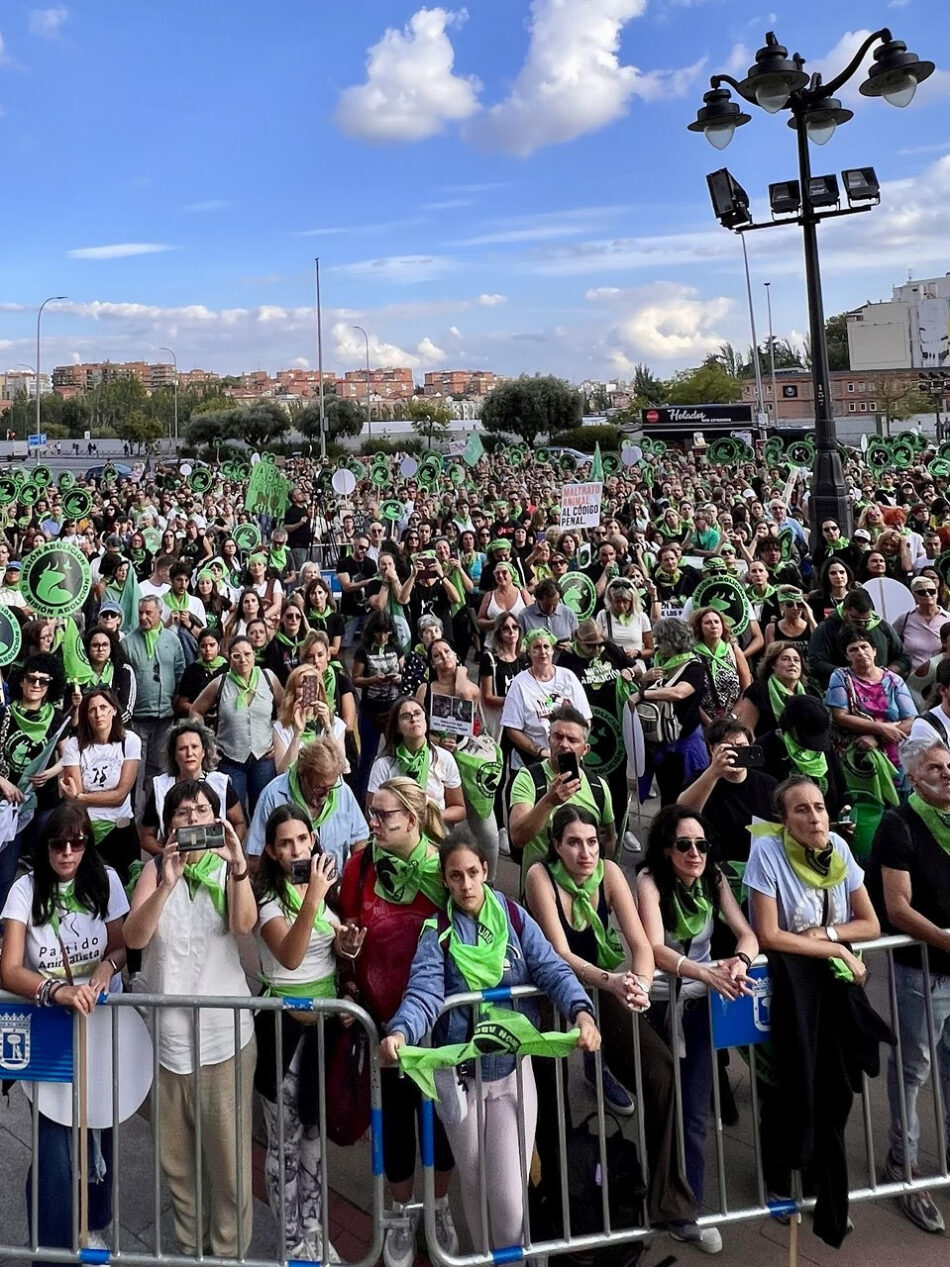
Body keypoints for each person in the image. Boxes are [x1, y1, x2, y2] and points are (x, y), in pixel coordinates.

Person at [381, 828, 600, 1254]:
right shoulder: (438, 931)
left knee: (509, 1202)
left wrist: (581, 1011)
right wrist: (400, 1031)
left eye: (472, 873)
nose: (465, 885)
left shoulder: (515, 918)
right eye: (455, 876)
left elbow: (551, 968)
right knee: (476, 1183)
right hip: (461, 1080)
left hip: (514, 1074)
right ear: (445, 879)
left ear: (486, 870)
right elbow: (424, 992)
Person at [525, 805, 700, 1232]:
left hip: (603, 983)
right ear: (555, 846)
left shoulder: (609, 872)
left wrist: (638, 984)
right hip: (545, 985)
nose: (585, 853)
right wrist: (612, 981)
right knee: (549, 1094)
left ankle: (667, 1199)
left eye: (591, 842)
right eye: (573, 843)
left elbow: (640, 944)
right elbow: (559, 953)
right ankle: (551, 1200)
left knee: (658, 1069)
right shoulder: (538, 876)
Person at [745, 775, 883, 1239]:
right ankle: (779, 1179)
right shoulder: (766, 852)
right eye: (801, 809)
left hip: (835, 984)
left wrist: (828, 938)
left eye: (819, 807)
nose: (815, 817)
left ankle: (827, 1183)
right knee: (789, 1085)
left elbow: (869, 924)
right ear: (783, 819)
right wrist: (838, 950)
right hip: (788, 987)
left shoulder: (839, 850)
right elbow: (769, 934)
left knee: (838, 1087)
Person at [124, 780, 257, 1259]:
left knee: (230, 1171)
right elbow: (135, 938)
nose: (192, 818)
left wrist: (239, 866)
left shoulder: (229, 871)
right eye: (182, 813)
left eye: (201, 810)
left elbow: (244, 925)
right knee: (178, 1166)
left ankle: (227, 1254)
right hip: (166, 1044)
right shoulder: (154, 870)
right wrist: (166, 885)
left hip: (225, 1041)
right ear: (169, 825)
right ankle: (190, 1248)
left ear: (217, 819)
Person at [0, 803, 128, 1267]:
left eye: (77, 842)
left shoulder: (107, 880)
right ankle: (50, 1254)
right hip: (48, 1033)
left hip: (102, 1027)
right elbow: (10, 969)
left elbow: (120, 945)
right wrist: (56, 991)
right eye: (58, 843)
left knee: (101, 1132)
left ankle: (93, 1228)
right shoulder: (24, 889)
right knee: (54, 1148)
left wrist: (105, 972)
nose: (68, 852)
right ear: (45, 846)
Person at [339, 778, 457, 1267]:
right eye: (372, 812)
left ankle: (441, 1209)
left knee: (445, 1125)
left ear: (412, 818)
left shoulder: (447, 869)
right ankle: (401, 1212)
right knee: (397, 1125)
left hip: (442, 1025)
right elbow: (344, 930)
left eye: (384, 815)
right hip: (383, 1024)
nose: (374, 821)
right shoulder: (360, 864)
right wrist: (345, 959)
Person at [637, 805, 758, 1252]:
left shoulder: (715, 880)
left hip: (699, 1004)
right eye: (684, 845)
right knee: (663, 1104)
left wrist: (740, 962)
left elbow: (747, 933)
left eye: (702, 845)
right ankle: (659, 1197)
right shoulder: (649, 881)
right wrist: (703, 972)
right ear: (666, 850)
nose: (695, 853)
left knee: (694, 1109)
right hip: (657, 1006)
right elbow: (652, 945)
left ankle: (685, 1209)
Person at [253, 804, 351, 1261]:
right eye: (286, 843)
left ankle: (315, 1231)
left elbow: (332, 954)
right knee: (285, 1146)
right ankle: (290, 1241)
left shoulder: (326, 893)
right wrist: (313, 895)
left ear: (314, 840)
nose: (296, 849)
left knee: (313, 1139)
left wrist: (348, 943)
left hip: (324, 1033)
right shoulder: (269, 900)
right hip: (283, 1034)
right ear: (271, 851)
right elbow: (290, 956)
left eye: (303, 840)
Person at [870, 738, 950, 1235]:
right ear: (913, 777)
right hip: (922, 970)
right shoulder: (899, 823)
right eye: (935, 769)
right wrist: (945, 941)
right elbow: (897, 909)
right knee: (915, 1067)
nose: (946, 775)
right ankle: (904, 1165)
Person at [0, 652, 76, 907]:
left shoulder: (56, 719)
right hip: (8, 807)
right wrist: (3, 782)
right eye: (31, 679)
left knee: (48, 866)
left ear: (50, 686)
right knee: (5, 872)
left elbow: (68, 758)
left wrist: (51, 773)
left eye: (43, 681)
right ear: (21, 681)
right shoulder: (4, 715)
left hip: (45, 805)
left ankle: (43, 916)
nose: (36, 685)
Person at [509, 704, 615, 876]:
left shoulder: (598, 786)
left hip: (587, 890)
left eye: (572, 740)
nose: (563, 744)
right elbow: (517, 838)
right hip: (541, 887)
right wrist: (549, 801)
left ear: (585, 749)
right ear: (549, 740)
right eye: (558, 737)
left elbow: (609, 839)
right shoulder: (529, 779)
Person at [190, 635, 283, 817]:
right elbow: (195, 710)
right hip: (231, 759)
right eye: (236, 656)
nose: (243, 660)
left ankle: (261, 846)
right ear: (228, 657)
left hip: (263, 757)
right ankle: (238, 845)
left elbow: (283, 705)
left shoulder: (268, 678)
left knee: (264, 810)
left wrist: (277, 734)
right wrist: (206, 742)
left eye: (247, 654)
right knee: (234, 813)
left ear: (254, 655)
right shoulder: (221, 683)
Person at [677, 719, 778, 881]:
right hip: (716, 869)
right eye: (728, 747)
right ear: (712, 749)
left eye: (741, 747)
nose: (735, 753)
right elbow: (682, 811)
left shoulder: (768, 784)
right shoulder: (702, 780)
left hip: (759, 869)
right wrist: (714, 772)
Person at [247, 736, 369, 870]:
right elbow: (255, 857)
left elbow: (360, 839)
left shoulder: (342, 790)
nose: (326, 795)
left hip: (335, 883)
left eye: (331, 787)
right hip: (288, 887)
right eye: (319, 789)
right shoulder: (273, 796)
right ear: (302, 776)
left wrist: (353, 876)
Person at [826, 622, 916, 801]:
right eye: (853, 649)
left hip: (897, 761)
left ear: (874, 651)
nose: (860, 653)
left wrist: (878, 737)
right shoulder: (841, 677)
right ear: (847, 656)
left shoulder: (893, 681)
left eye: (864, 647)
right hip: (859, 762)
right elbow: (840, 716)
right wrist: (881, 728)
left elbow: (911, 720)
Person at [59, 688, 141, 881]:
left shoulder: (129, 741)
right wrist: (79, 798)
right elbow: (76, 798)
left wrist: (82, 797)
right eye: (92, 710)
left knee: (129, 888)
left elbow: (120, 796)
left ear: (114, 710)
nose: (98, 714)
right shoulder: (74, 745)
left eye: (103, 707)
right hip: (87, 829)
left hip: (121, 828)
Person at [138, 719, 246, 856]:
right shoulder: (161, 787)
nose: (189, 753)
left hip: (215, 860)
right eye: (183, 748)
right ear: (174, 755)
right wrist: (166, 854)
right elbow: (146, 836)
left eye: (195, 747)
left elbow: (240, 823)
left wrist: (228, 851)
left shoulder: (220, 783)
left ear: (204, 752)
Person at [633, 617, 708, 806]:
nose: (657, 644)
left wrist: (643, 693)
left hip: (686, 744)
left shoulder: (694, 666)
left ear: (674, 641)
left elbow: (679, 692)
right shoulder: (660, 662)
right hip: (662, 744)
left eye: (661, 640)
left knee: (688, 796)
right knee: (667, 796)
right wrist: (645, 680)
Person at [125, 594, 186, 811]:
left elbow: (180, 670)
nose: (143, 617)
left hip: (165, 717)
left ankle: (153, 817)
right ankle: (133, 818)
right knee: (134, 770)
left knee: (158, 770)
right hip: (137, 718)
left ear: (160, 614)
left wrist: (177, 699)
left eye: (148, 613)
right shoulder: (128, 642)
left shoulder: (172, 640)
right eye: (140, 612)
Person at [501, 629, 591, 772]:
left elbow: (585, 718)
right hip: (532, 761)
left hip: (568, 758)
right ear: (529, 653)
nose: (542, 651)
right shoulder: (519, 683)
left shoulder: (568, 677)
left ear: (553, 650)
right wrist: (539, 751)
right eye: (536, 647)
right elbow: (512, 729)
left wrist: (576, 746)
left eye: (546, 646)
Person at [369, 694, 466, 825]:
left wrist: (432, 816)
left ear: (426, 720)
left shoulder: (444, 758)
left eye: (417, 713)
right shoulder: (384, 763)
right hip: (397, 836)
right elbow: (372, 811)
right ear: (397, 727)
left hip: (436, 836)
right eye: (406, 716)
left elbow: (459, 809)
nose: (413, 719)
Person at [808, 588, 910, 689]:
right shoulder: (826, 628)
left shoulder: (882, 626)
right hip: (842, 688)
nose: (862, 625)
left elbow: (903, 658)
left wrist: (883, 674)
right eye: (856, 620)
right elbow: (816, 662)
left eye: (866, 621)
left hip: (883, 687)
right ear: (845, 611)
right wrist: (850, 675)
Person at [351, 610, 404, 799]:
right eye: (379, 632)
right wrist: (372, 680)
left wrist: (399, 677)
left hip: (392, 709)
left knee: (397, 754)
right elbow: (355, 679)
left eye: (386, 632)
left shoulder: (396, 648)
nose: (383, 636)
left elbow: (403, 671)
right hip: (370, 710)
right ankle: (361, 799)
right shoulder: (363, 651)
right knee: (367, 757)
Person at [273, 662, 348, 774]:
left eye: (311, 684)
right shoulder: (281, 727)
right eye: (300, 686)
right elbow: (282, 772)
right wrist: (297, 734)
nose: (306, 690)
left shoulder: (336, 724)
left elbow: (342, 767)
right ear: (293, 692)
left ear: (319, 689)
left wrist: (327, 727)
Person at [736, 641, 816, 739]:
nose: (792, 664)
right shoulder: (758, 691)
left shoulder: (809, 694)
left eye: (796, 660)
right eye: (785, 659)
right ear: (773, 664)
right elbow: (747, 730)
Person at [690, 607, 751, 726]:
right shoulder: (691, 654)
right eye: (708, 623)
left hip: (734, 720)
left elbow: (747, 687)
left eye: (716, 622)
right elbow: (691, 695)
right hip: (702, 722)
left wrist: (733, 716)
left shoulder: (733, 650)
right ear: (699, 627)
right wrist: (709, 723)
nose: (713, 625)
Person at [893, 575, 950, 671]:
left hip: (943, 676)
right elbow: (893, 645)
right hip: (914, 679)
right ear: (914, 596)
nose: (928, 595)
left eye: (931, 591)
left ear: (937, 593)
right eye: (922, 592)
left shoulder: (948, 618)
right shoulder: (905, 619)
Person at [173, 627, 228, 719]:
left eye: (212, 645)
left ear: (219, 647)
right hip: (198, 721)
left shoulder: (227, 669)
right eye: (203, 646)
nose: (207, 649)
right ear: (198, 648)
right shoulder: (192, 670)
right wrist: (199, 710)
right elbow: (182, 703)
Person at [596, 576, 654, 663]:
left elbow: (651, 650)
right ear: (611, 600)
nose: (621, 605)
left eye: (625, 601)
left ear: (632, 600)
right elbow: (596, 644)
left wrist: (637, 653)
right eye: (617, 601)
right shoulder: (603, 615)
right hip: (612, 668)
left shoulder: (641, 617)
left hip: (636, 668)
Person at [519, 578, 579, 649]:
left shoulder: (569, 614)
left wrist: (570, 647)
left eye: (555, 604)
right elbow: (519, 648)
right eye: (547, 605)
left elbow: (578, 644)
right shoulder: (524, 616)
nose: (551, 609)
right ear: (538, 599)